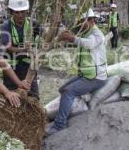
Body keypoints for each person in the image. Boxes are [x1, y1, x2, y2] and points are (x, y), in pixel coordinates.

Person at [45, 8, 107, 137]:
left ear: (90, 20)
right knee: (63, 89)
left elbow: (89, 44)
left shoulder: (96, 34)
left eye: (81, 21)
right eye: (78, 21)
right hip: (86, 75)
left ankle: (59, 125)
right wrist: (65, 39)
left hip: (96, 77)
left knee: (69, 91)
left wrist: (72, 38)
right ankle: (68, 112)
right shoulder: (85, 33)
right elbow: (80, 42)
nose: (79, 24)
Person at [0, 0, 41, 99]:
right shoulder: (6, 26)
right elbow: (7, 47)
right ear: (11, 12)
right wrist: (24, 49)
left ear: (27, 11)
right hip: (11, 68)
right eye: (16, 12)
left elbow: (46, 36)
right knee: (12, 97)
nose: (20, 15)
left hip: (29, 68)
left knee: (33, 97)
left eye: (23, 12)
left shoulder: (33, 23)